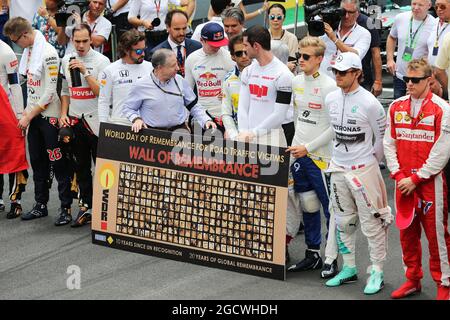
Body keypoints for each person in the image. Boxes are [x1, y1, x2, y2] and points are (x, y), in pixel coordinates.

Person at [324, 52, 391, 295]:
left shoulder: (370, 103)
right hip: (338, 169)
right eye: (335, 72)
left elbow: (383, 137)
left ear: (357, 73)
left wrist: (370, 163)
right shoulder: (331, 98)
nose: (338, 76)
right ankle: (349, 268)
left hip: (364, 171)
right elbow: (333, 131)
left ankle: (377, 271)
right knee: (343, 223)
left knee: (372, 224)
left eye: (343, 72)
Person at [384, 58, 450, 300]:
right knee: (407, 235)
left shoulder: (442, 109)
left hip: (430, 185)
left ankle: (445, 283)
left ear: (429, 80)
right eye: (406, 79)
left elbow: (442, 151)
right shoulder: (395, 107)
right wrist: (400, 176)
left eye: (415, 80)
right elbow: (388, 144)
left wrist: (417, 178)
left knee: (436, 236)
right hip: (403, 183)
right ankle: (412, 279)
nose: (409, 84)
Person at [3, 17, 73, 222]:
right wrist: (25, 113)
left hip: (49, 117)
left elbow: (50, 93)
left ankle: (65, 207)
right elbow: (31, 88)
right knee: (37, 162)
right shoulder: (29, 51)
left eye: (16, 40)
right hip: (33, 116)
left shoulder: (49, 53)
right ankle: (40, 204)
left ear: (24, 35)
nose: (17, 45)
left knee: (58, 162)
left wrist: (29, 115)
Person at [286, 36, 338, 276]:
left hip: (321, 157)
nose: (301, 60)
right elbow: (297, 118)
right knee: (308, 205)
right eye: (299, 56)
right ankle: (312, 254)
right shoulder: (296, 81)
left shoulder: (329, 86)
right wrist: (298, 147)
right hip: (299, 154)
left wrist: (309, 147)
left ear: (319, 59)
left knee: (331, 210)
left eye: (306, 57)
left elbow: (333, 127)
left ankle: (332, 258)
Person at [60, 23, 110, 227]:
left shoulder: (102, 61)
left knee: (102, 168)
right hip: (76, 119)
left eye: (84, 41)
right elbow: (64, 90)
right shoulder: (66, 59)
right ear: (72, 40)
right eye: (77, 41)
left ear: (91, 40)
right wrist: (64, 113)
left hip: (96, 120)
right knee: (80, 168)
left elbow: (103, 93)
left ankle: (105, 208)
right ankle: (86, 207)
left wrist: (85, 72)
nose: (80, 45)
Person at [121, 48, 216, 133]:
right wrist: (136, 119)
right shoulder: (141, 85)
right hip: (153, 134)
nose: (177, 68)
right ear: (159, 68)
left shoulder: (180, 80)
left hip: (180, 132)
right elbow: (128, 108)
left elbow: (193, 105)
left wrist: (206, 120)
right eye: (173, 65)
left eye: (177, 64)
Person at [237, 25, 293, 147]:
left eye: (246, 45)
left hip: (272, 139)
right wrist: (243, 132)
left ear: (256, 46)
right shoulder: (248, 71)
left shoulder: (283, 74)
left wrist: (253, 133)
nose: (244, 50)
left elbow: (279, 115)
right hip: (248, 137)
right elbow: (242, 106)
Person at [185, 22, 234, 131]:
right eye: (213, 45)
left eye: (220, 44)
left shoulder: (229, 58)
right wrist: (185, 119)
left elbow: (237, 87)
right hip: (201, 115)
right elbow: (187, 92)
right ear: (202, 40)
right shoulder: (192, 59)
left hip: (224, 115)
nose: (217, 48)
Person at [99, 29, 153, 125]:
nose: (143, 54)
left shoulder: (150, 67)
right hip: (120, 124)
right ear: (126, 50)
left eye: (144, 49)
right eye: (139, 51)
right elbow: (104, 101)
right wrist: (103, 128)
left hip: (145, 125)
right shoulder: (110, 70)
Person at [0, 38, 27, 219]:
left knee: (14, 154)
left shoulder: (7, 52)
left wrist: (20, 115)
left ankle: (15, 201)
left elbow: (15, 85)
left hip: (6, 109)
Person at [386, 0, 434, 99]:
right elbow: (391, 37)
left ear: (429, 5)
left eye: (420, 5)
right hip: (400, 76)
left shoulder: (434, 24)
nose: (416, 7)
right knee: (399, 111)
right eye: (414, 4)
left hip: (419, 80)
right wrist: (390, 59)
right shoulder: (400, 18)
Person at [320, 0, 371, 79]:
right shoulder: (328, 28)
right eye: (344, 12)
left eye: (351, 12)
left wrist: (334, 39)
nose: (346, 16)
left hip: (345, 82)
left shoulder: (364, 33)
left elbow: (355, 56)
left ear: (357, 13)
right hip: (324, 80)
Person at [149, 9, 202, 76]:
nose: (181, 33)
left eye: (184, 28)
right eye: (177, 29)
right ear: (168, 27)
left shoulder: (197, 47)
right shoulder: (157, 53)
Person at [221, 34, 251, 140]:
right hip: (238, 136)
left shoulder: (264, 75)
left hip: (262, 135)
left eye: (246, 51)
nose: (244, 56)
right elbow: (226, 112)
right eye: (239, 53)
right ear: (233, 56)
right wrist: (234, 136)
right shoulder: (227, 80)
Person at [267, 3, 299, 73]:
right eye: (272, 17)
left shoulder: (292, 38)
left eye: (279, 17)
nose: (275, 20)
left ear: (284, 18)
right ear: (268, 18)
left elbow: (292, 65)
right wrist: (285, 65)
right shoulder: (263, 36)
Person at [357, 10, 383, 97]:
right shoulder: (335, 20)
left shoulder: (368, 22)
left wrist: (378, 81)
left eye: (351, 12)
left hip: (364, 76)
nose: (347, 16)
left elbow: (375, 52)